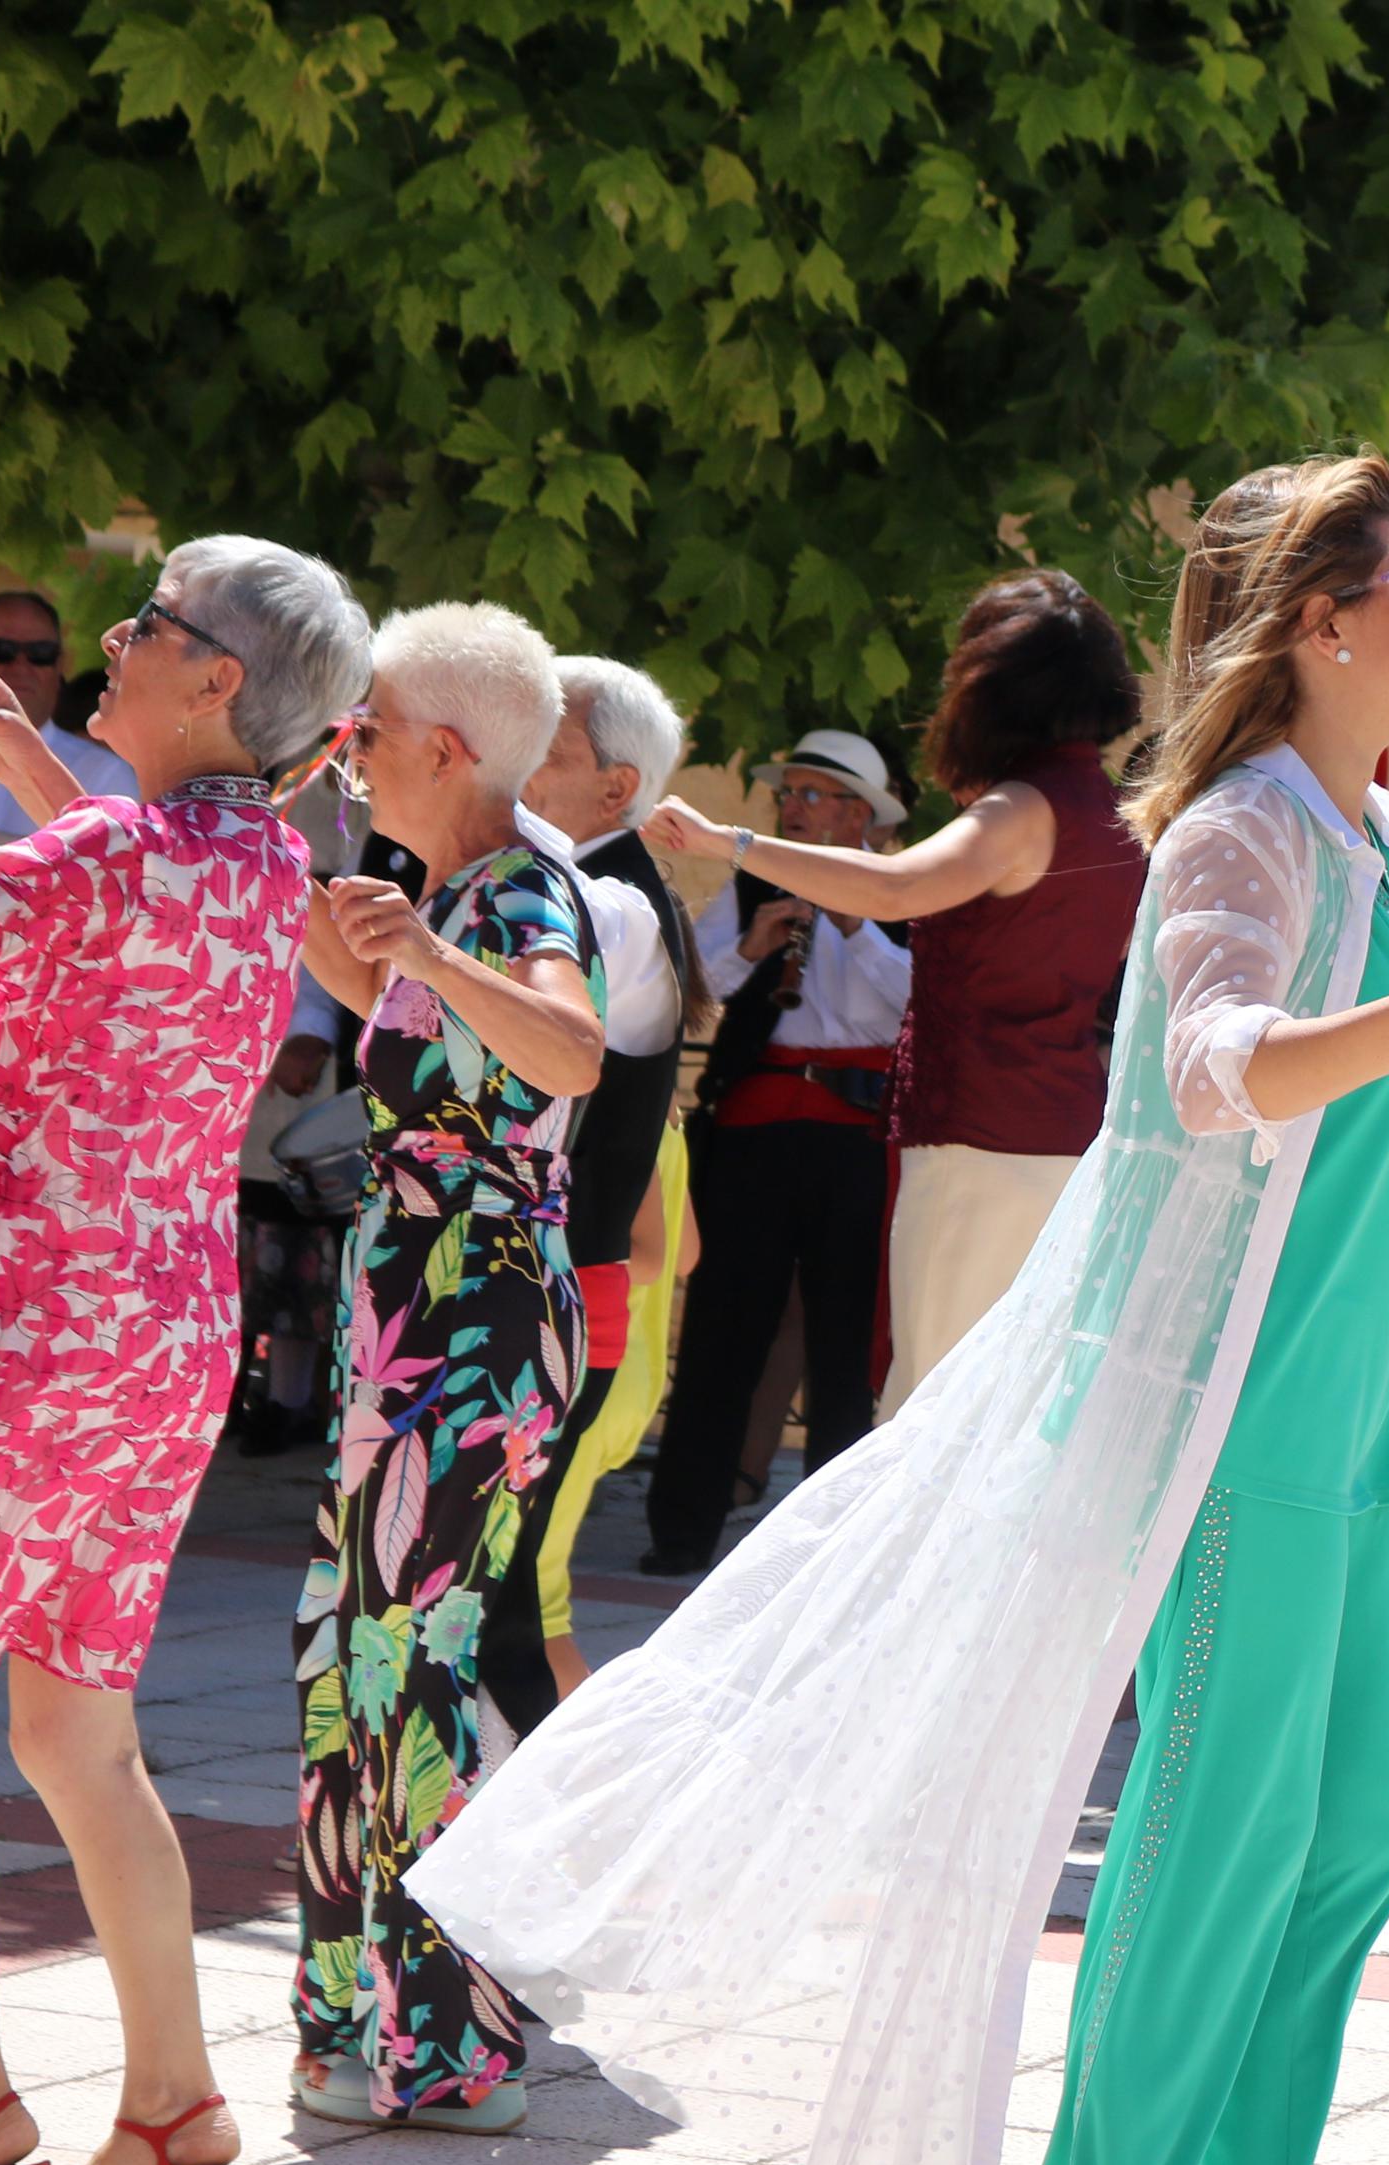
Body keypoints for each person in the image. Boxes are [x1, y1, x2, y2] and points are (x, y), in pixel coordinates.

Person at [413, 453, 1389, 2165]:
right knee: (1215, 1869)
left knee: (1342, 1854)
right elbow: (1214, 1069)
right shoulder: (1237, 832)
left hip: (1342, 1423)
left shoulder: (1366, 824)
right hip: (1232, 1433)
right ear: (1316, 624)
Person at [0, 540, 370, 2165]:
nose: (110, 641)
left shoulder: (114, 850)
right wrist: (25, 767)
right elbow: (128, 871)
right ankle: (174, 2103)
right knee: (79, 1734)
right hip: (154, 1338)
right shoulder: (264, 854)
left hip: (7, 1325)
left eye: (149, 626)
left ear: (216, 683)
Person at [287, 602, 608, 2133]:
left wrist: (423, 947)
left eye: (366, 731)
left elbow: (567, 1049)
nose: (350, 757)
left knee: (418, 1656)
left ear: (446, 747)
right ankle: (363, 2019)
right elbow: (399, 1024)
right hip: (415, 1303)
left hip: (474, 1312)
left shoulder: (520, 887)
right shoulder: (452, 888)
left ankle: (462, 2048)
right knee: (359, 1647)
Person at [645, 578, 1148, 1418]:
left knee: (936, 1409)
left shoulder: (1023, 807)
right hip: (1057, 1133)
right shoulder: (1115, 813)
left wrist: (725, 840)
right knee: (1005, 1411)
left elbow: (892, 885)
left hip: (976, 1140)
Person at [638, 732, 914, 1571]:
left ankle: (833, 1545)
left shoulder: (903, 888)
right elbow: (694, 990)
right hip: (758, 1131)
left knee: (843, 1342)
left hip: (857, 1137)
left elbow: (912, 1003)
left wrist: (854, 925)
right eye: (787, 793)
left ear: (858, 815)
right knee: (723, 1327)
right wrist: (751, 947)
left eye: (808, 795)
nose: (787, 808)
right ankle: (682, 1530)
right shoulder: (758, 874)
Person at [488, 657, 698, 1720]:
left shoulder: (606, 906)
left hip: (565, 1300)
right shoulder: (566, 890)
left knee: (511, 1610)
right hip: (563, 1298)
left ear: (616, 789)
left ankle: (555, 1855)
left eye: (547, 746)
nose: (516, 762)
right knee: (512, 1604)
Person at [0, 588, 139, 836]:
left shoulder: (106, 773)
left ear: (59, 666)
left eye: (40, 653)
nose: (21, 665)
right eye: (1, 649)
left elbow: (115, 869)